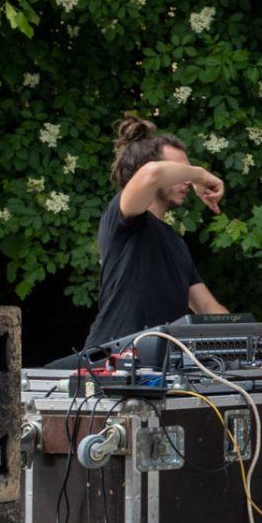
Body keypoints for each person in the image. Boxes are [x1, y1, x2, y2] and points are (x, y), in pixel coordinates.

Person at [85, 116, 227, 351]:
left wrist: (259, 341)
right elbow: (152, 173)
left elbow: (207, 308)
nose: (187, 181)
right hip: (112, 361)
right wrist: (200, 174)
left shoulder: (177, 244)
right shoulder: (124, 218)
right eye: (179, 171)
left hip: (159, 363)